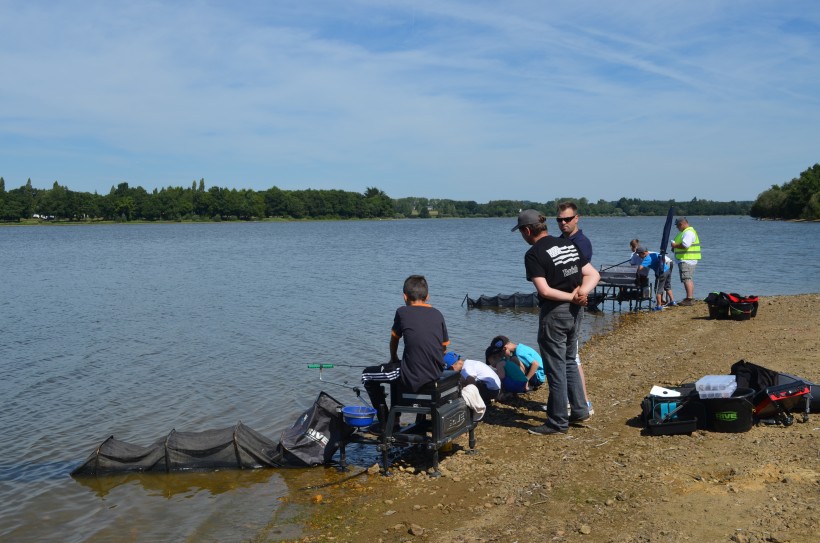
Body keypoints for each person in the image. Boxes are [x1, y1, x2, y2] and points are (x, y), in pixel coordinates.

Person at [511, 209, 600, 435]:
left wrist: (572, 296)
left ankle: (557, 422)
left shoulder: (533, 254)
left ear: (527, 230)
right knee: (570, 360)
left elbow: (545, 290)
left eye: (521, 232)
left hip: (555, 314)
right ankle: (579, 410)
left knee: (555, 368)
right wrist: (581, 293)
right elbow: (593, 275)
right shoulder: (568, 244)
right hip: (576, 312)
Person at [361, 275, 450, 431]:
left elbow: (394, 340)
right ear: (427, 296)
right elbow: (444, 348)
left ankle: (385, 423)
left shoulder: (402, 312)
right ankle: (395, 418)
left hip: (413, 374)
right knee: (398, 370)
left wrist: (393, 357)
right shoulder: (437, 314)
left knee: (367, 375)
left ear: (404, 296)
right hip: (435, 371)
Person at [557, 202, 593, 414]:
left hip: (573, 303)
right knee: (568, 357)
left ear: (576, 218)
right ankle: (574, 401)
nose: (563, 223)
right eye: (559, 220)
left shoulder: (581, 243)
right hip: (561, 301)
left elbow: (583, 274)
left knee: (572, 357)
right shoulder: (559, 241)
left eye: (567, 219)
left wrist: (579, 295)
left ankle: (584, 402)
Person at [635, 245, 677, 311]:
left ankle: (659, 306)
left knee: (658, 290)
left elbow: (640, 268)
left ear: (643, 253)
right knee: (668, 287)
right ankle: (672, 301)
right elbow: (664, 259)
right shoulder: (654, 254)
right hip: (667, 270)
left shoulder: (647, 259)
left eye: (639, 254)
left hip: (661, 273)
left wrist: (633, 270)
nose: (639, 256)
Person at [670, 217, 701, 306]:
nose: (677, 228)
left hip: (687, 259)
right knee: (687, 278)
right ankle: (689, 297)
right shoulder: (686, 232)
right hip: (686, 259)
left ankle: (689, 298)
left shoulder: (688, 232)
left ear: (681, 224)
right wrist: (675, 247)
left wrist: (675, 245)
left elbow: (685, 245)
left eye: (677, 226)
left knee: (686, 278)